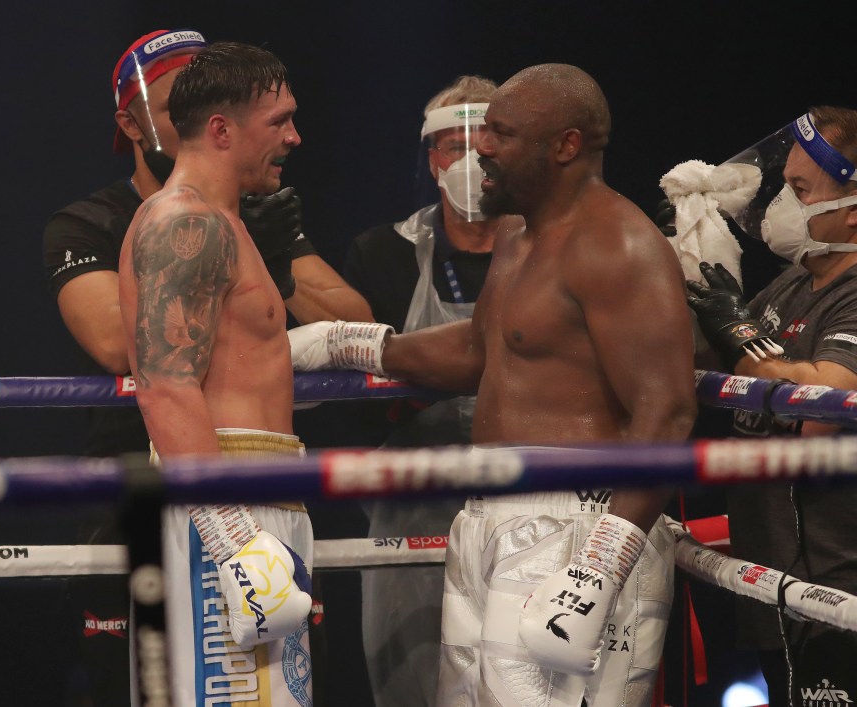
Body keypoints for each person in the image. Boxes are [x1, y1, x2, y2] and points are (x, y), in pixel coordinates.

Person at [289, 63, 697, 706]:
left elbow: (667, 410)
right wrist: (355, 343)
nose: (481, 147)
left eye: (501, 133)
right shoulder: (518, 231)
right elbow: (484, 348)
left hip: (582, 522)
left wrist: (602, 565)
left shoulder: (618, 244)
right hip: (488, 512)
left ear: (564, 145)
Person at [43, 28, 372, 457]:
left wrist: (266, 258)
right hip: (139, 475)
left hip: (262, 463)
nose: (189, 117)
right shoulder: (90, 222)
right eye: (175, 107)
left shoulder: (252, 212)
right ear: (131, 124)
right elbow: (118, 343)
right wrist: (219, 517)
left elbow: (352, 315)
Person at [118, 40, 316, 706]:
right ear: (223, 130)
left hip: (260, 496)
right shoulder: (186, 225)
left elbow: (242, 349)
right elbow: (164, 384)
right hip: (226, 506)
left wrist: (346, 341)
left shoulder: (226, 223)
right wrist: (234, 541)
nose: (294, 136)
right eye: (279, 120)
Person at [343, 74, 512, 707]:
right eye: (452, 146)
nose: (469, 160)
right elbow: (351, 407)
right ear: (431, 158)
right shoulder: (382, 254)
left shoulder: (558, 252)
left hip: (533, 496)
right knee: (410, 680)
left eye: (485, 142)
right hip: (411, 505)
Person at [685, 106, 857, 707]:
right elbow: (708, 356)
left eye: (800, 189)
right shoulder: (792, 281)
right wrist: (678, 259)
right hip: (777, 580)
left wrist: (734, 327)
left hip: (837, 592)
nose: (782, 201)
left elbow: (827, 398)